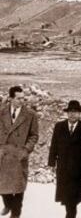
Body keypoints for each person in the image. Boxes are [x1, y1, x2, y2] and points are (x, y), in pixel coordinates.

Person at [0, 86, 39, 218]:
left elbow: (34, 135)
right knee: (3, 186)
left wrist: (26, 150)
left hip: (19, 155)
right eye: (18, 98)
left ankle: (16, 213)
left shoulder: (30, 115)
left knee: (18, 187)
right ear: (11, 98)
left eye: (23, 98)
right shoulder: (1, 112)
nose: (21, 101)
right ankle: (8, 204)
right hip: (3, 154)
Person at [48, 100, 81, 218]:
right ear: (67, 113)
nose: (72, 114)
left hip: (78, 169)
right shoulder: (59, 126)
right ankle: (70, 214)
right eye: (70, 111)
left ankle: (70, 214)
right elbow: (54, 144)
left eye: (75, 112)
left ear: (79, 113)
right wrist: (51, 162)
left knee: (74, 197)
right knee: (65, 195)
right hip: (63, 167)